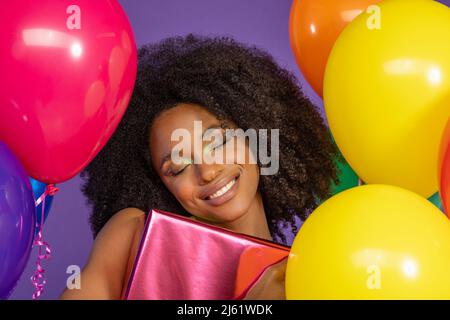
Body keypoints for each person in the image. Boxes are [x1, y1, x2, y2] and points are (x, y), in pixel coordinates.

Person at [60, 34, 338, 300]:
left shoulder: (308, 278)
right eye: (178, 167)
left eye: (217, 142)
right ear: (160, 183)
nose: (207, 172)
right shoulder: (134, 234)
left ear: (254, 133)